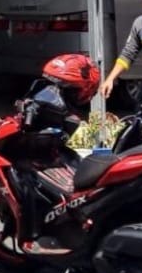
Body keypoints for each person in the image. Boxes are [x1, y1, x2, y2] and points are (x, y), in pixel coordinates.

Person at [14, 53, 100, 253]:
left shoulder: (66, 111)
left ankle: (31, 236)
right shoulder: (61, 104)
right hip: (57, 151)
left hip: (48, 153)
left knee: (26, 180)